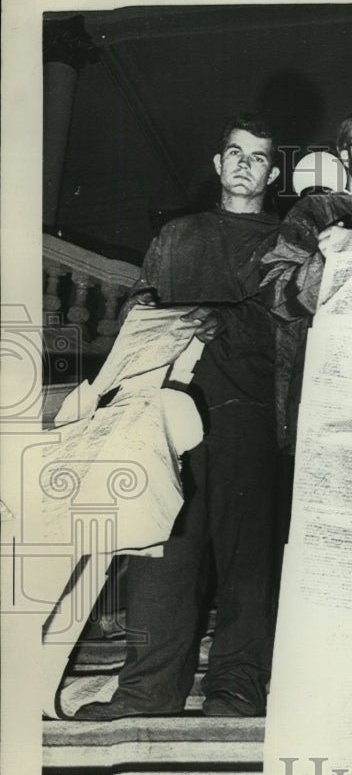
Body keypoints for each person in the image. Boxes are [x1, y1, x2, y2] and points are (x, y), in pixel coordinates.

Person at [75, 114, 281, 719]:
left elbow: (293, 320)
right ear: (218, 165)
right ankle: (147, 691)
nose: (245, 163)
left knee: (249, 561)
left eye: (259, 156)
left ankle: (236, 691)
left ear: (273, 171)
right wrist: (145, 307)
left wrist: (224, 319)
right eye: (235, 153)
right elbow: (144, 296)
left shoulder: (288, 241)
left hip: (250, 413)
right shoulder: (178, 234)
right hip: (168, 413)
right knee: (161, 551)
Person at [260, 103, 352, 455]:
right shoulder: (317, 210)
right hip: (328, 398)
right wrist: (327, 258)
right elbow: (276, 300)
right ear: (344, 155)